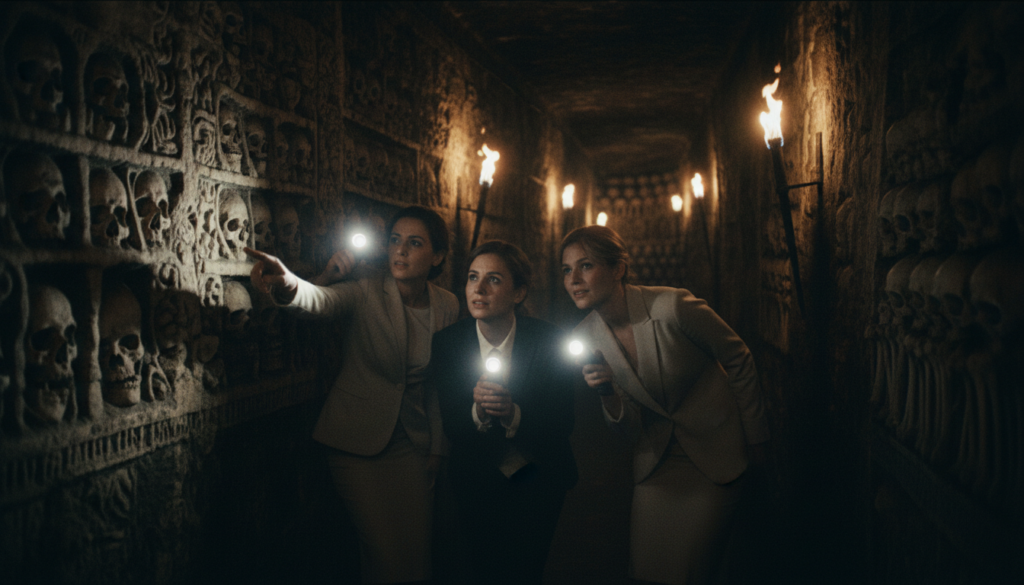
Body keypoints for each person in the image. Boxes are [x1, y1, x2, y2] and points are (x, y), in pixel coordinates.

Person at [245, 205, 459, 585]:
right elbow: (320, 300)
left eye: (414, 243)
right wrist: (289, 283)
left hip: (412, 446)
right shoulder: (367, 289)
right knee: (386, 556)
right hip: (355, 444)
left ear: (438, 256)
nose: (400, 250)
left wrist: (437, 448)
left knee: (416, 561)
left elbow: (440, 383)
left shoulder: (447, 305)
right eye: (395, 240)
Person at [560, 225, 770, 585]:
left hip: (716, 454)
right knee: (646, 571)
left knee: (688, 571)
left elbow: (738, 357)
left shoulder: (672, 307)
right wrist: (607, 391)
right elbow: (627, 429)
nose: (574, 280)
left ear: (618, 268)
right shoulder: (584, 337)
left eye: (586, 266)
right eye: (566, 270)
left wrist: (757, 439)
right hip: (656, 462)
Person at [428, 240, 578, 585]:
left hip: (538, 474)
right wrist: (478, 412)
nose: (478, 289)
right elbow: (453, 423)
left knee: (526, 568)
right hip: (477, 476)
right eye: (472, 277)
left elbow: (563, 421)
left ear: (519, 292)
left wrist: (513, 414)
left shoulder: (549, 341)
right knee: (484, 567)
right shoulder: (449, 343)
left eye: (493, 279)